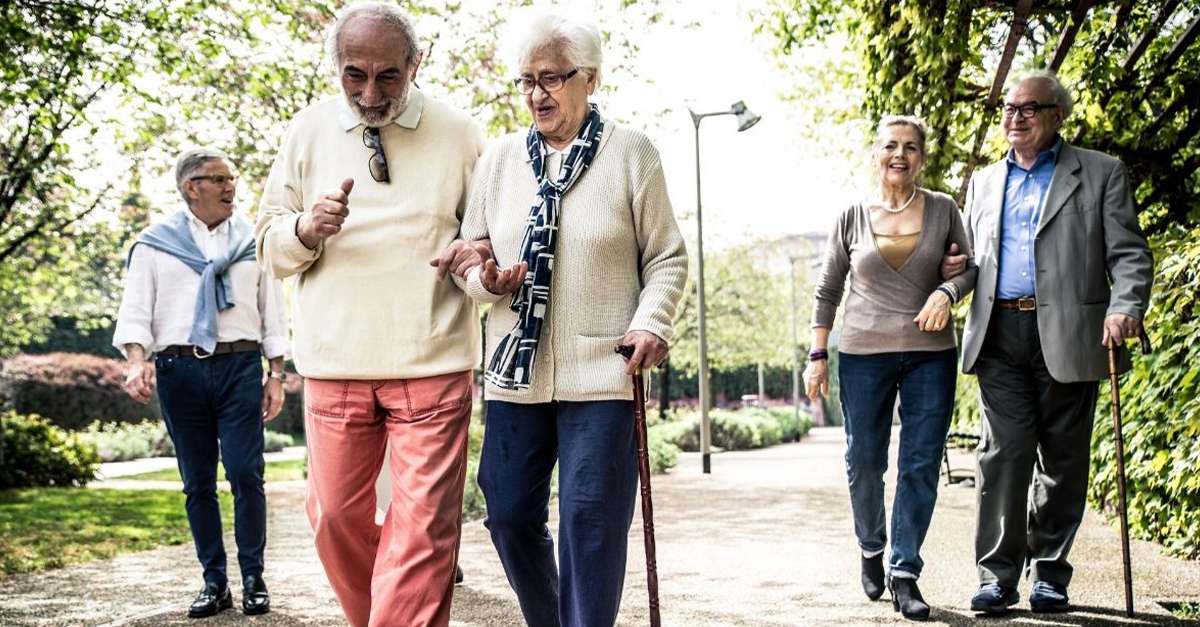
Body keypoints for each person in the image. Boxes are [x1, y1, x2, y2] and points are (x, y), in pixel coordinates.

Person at [254, 4, 485, 626]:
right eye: (354, 74)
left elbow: (485, 243)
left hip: (432, 361)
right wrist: (305, 229)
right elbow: (270, 249)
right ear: (336, 66)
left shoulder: (461, 134)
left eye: (388, 75)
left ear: (416, 64)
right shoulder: (305, 132)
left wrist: (481, 270)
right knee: (332, 518)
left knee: (422, 534)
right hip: (335, 363)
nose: (370, 91)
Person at [456, 12, 687, 627]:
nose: (536, 94)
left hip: (603, 371)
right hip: (516, 373)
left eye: (552, 78)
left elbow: (666, 257)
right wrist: (484, 278)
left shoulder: (631, 153)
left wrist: (651, 323)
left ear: (590, 78)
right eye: (526, 80)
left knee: (590, 520)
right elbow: (469, 251)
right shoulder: (500, 161)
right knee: (506, 513)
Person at [947, 71, 1153, 615]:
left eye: (1028, 108)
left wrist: (1124, 306)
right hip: (999, 334)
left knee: (1063, 462)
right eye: (1009, 110)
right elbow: (973, 261)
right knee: (1003, 456)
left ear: (1057, 115)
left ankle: (1050, 575)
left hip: (1071, 332)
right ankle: (996, 576)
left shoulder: (1100, 172)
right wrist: (951, 280)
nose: (1015, 118)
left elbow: (1129, 253)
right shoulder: (986, 182)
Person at [805, 116, 977, 621]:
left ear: (923, 156)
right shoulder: (852, 215)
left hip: (930, 353)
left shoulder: (944, 209)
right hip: (862, 352)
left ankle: (905, 573)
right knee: (864, 461)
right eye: (890, 146)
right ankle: (871, 545)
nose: (899, 155)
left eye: (910, 147)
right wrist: (817, 355)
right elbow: (828, 290)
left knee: (921, 463)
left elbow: (967, 267)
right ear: (875, 153)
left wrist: (947, 291)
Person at [114, 148, 287, 618]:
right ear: (193, 186)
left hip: (240, 366)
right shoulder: (154, 243)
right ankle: (215, 581)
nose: (232, 187)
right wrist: (135, 361)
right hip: (179, 370)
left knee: (246, 473)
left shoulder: (255, 239)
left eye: (232, 178)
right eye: (220, 179)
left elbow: (273, 311)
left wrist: (277, 374)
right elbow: (136, 311)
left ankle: (253, 578)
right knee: (197, 483)